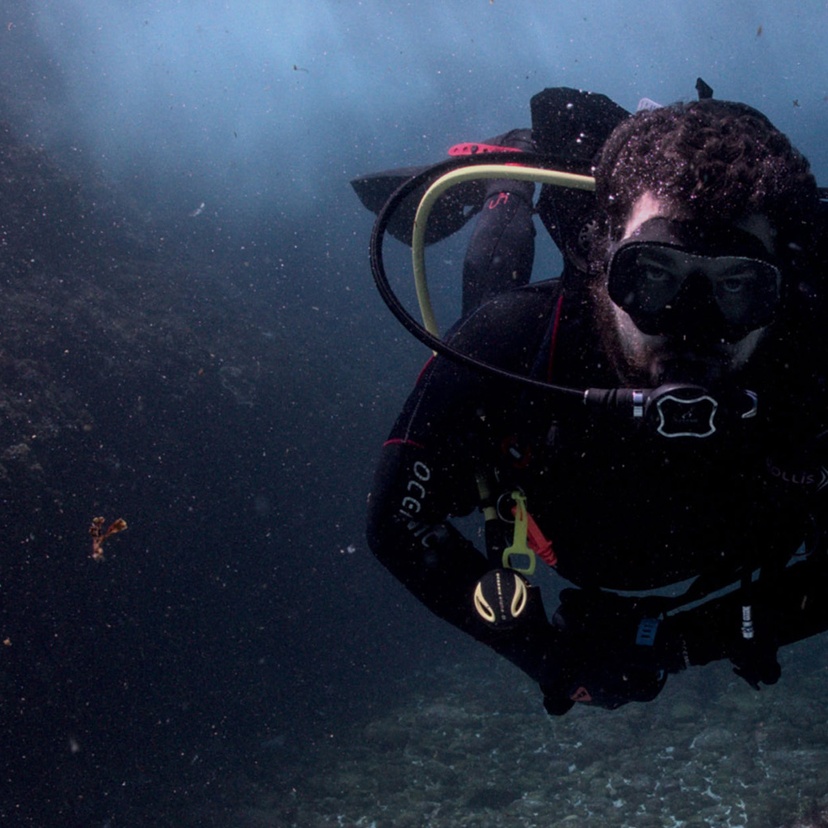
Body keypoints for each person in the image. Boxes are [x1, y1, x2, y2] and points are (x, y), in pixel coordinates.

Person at [361, 85, 828, 714]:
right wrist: (544, 653)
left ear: (785, 284)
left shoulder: (816, 376)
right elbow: (397, 522)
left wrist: (679, 645)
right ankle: (510, 181)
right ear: (602, 253)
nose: (690, 324)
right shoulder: (512, 338)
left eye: (739, 286)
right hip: (551, 500)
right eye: (654, 274)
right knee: (487, 321)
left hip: (616, 532)